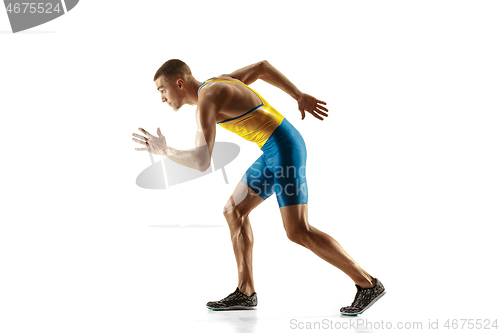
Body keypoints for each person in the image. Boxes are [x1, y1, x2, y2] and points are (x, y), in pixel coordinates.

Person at [132, 59, 385, 315]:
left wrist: (164, 150)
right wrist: (298, 95)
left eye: (162, 90)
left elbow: (201, 161)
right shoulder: (217, 82)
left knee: (298, 230)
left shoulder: (208, 97)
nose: (162, 98)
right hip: (273, 150)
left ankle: (368, 284)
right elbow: (262, 67)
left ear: (179, 83)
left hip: (285, 149)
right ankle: (245, 291)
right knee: (233, 210)